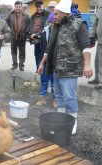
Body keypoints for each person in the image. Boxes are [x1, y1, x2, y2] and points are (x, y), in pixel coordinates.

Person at [46, 0, 93, 134]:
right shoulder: (57, 25)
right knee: (58, 96)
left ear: (64, 13)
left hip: (69, 69)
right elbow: (51, 46)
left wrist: (88, 65)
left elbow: (86, 46)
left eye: (56, 14)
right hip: (56, 68)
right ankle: (61, 119)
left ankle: (73, 122)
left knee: (69, 97)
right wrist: (44, 63)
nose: (53, 16)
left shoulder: (78, 24)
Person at [32, 13, 56, 108]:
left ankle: (56, 99)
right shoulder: (44, 31)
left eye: (53, 22)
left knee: (55, 82)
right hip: (44, 60)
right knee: (44, 80)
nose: (51, 24)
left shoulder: (59, 31)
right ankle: (42, 97)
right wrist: (33, 37)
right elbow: (37, 38)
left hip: (55, 61)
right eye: (50, 22)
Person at [6, 1, 30, 71]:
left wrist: (26, 32)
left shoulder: (26, 15)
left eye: (19, 7)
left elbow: (28, 25)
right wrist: (10, 29)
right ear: (15, 7)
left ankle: (21, 65)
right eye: (17, 7)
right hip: (13, 36)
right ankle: (14, 64)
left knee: (22, 52)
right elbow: (6, 22)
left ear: (21, 7)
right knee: (13, 51)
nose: (18, 8)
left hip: (22, 36)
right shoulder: (10, 14)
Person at [30, 0, 50, 70]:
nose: (38, 8)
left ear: (43, 6)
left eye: (40, 6)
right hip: (35, 38)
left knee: (45, 54)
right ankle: (38, 69)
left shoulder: (48, 14)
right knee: (37, 54)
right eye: (37, 7)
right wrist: (31, 35)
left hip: (44, 37)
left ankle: (45, 70)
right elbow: (31, 27)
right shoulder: (33, 16)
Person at [88, 3, 102, 87]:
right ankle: (97, 78)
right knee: (97, 61)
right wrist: (92, 36)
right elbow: (95, 24)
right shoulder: (100, 7)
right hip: (100, 40)